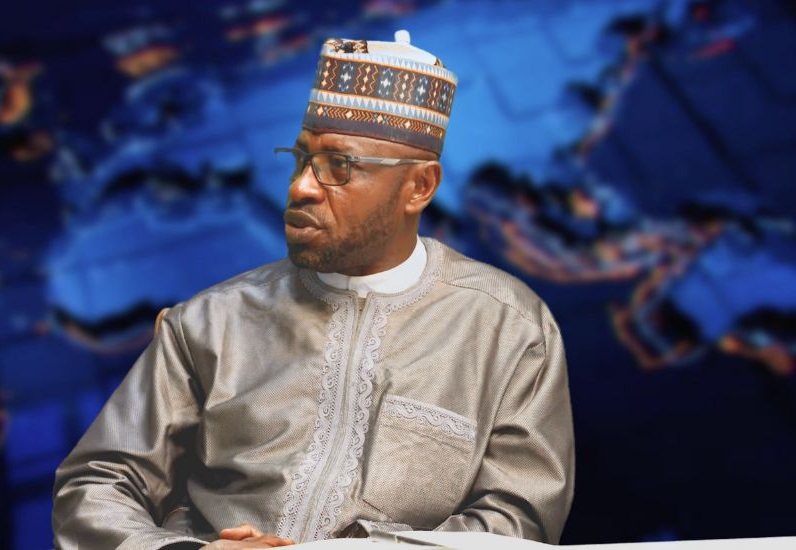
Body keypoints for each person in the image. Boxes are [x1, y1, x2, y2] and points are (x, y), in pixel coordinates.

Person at [52, 30, 574, 550]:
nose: (300, 186)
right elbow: (94, 487)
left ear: (419, 186)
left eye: (337, 167)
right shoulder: (209, 323)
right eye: (301, 159)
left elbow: (518, 518)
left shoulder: (508, 327)